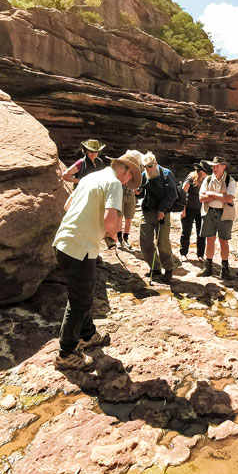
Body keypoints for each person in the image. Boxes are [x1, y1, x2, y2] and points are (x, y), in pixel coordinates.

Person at [52, 150, 142, 370]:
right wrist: (113, 234)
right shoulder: (113, 184)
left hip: (66, 243)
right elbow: (111, 222)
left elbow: (67, 206)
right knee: (79, 300)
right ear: (128, 172)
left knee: (85, 292)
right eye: (131, 177)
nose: (128, 181)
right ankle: (66, 353)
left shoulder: (91, 177)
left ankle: (88, 334)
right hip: (79, 248)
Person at [138, 152, 178, 283]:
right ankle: (154, 268)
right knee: (145, 241)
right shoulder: (144, 175)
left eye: (149, 166)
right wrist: (138, 192)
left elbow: (172, 195)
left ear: (155, 163)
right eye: (145, 166)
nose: (147, 169)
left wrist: (162, 209)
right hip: (147, 212)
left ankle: (168, 269)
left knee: (162, 242)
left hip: (162, 213)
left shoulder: (167, 174)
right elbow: (142, 192)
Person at [198, 156, 237, 281]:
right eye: (213, 166)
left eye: (216, 166)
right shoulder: (208, 179)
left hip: (224, 214)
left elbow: (229, 199)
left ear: (223, 166)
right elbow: (201, 198)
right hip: (209, 212)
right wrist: (221, 196)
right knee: (210, 239)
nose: (214, 168)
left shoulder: (230, 180)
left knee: (223, 241)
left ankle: (224, 269)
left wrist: (212, 194)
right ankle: (208, 267)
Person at [180, 162, 209, 260]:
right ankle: (183, 253)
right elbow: (183, 192)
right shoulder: (191, 177)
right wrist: (182, 209)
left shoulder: (207, 180)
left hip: (201, 209)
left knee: (201, 233)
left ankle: (200, 255)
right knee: (186, 231)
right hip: (188, 208)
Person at [117, 183, 137, 249]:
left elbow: (138, 180)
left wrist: (137, 188)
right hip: (120, 193)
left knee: (129, 218)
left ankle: (125, 239)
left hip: (131, 194)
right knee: (119, 217)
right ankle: (119, 239)